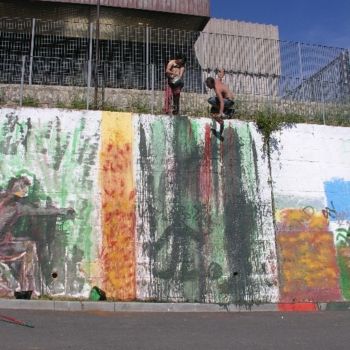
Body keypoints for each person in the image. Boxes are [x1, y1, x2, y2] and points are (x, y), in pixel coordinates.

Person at [205, 74, 235, 139]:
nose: (208, 87)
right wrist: (222, 72)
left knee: (210, 100)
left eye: (209, 86)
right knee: (212, 110)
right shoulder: (216, 80)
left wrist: (220, 113)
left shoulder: (216, 89)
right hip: (230, 100)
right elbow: (220, 78)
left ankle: (226, 112)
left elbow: (221, 102)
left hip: (228, 101)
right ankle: (226, 113)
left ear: (212, 84)